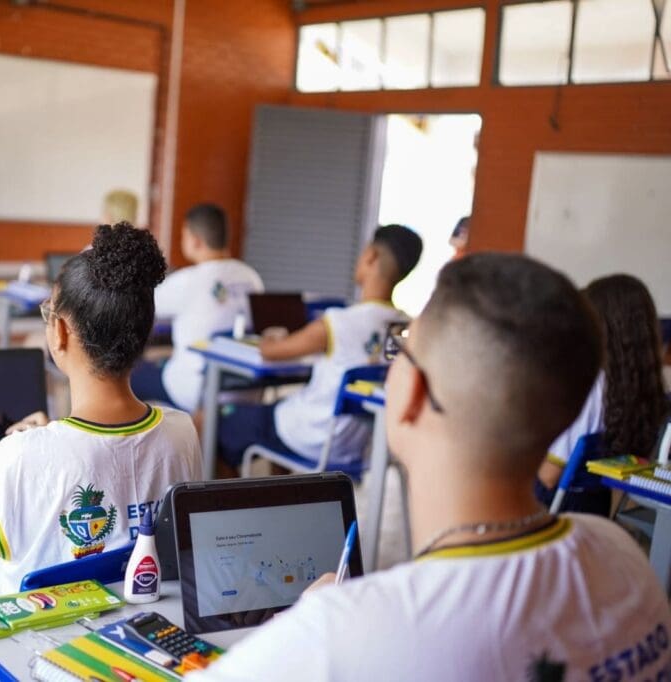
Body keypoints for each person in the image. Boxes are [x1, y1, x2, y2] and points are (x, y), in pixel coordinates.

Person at [189, 253, 671, 681]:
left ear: (414, 393)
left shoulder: (337, 633)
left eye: (399, 349)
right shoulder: (625, 559)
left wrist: (298, 629)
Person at [0, 223, 202, 681]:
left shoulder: (21, 456)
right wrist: (43, 439)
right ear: (144, 332)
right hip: (118, 646)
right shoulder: (181, 431)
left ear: (60, 332)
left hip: (14, 658)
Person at [216, 225, 422, 473]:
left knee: (220, 426)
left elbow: (271, 352)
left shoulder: (338, 322)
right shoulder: (405, 326)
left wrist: (271, 338)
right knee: (281, 409)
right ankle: (285, 490)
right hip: (361, 444)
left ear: (371, 257)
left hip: (315, 435)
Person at [537, 274, 668, 514]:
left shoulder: (586, 386)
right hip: (597, 505)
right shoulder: (642, 388)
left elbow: (548, 475)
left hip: (558, 507)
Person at [131, 203, 263, 411]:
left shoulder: (188, 281)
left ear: (195, 241)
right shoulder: (251, 277)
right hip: (245, 388)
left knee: (125, 374)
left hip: (196, 391)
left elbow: (137, 302)